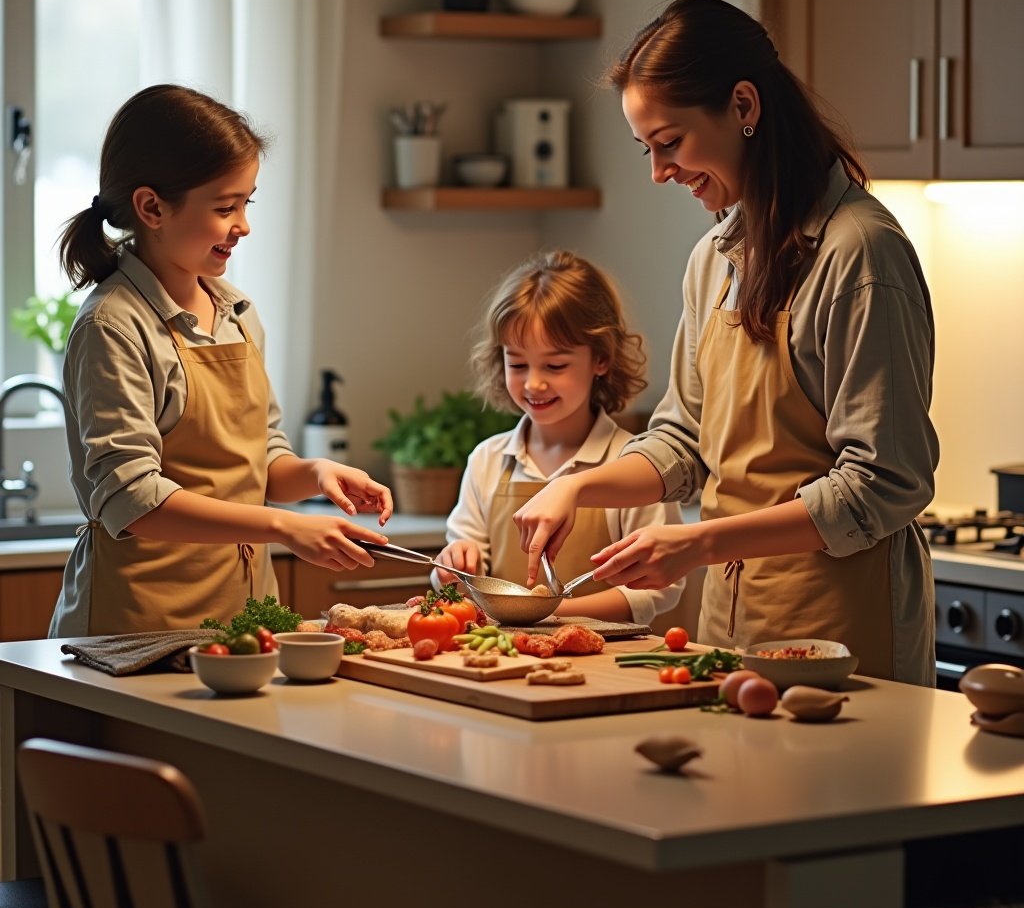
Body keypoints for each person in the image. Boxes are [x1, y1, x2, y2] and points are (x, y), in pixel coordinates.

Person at [513, 0, 939, 684]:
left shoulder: (860, 253)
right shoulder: (714, 258)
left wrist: (699, 542)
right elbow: (683, 440)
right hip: (730, 623)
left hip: (841, 630)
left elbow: (883, 483)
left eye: (669, 142)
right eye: (648, 149)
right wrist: (577, 487)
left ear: (743, 105)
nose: (659, 172)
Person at [50, 84, 392, 638]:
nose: (243, 225)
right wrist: (282, 526)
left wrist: (315, 475)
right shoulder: (112, 326)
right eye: (224, 207)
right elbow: (131, 499)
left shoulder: (236, 311)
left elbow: (261, 457)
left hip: (242, 621)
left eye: (246, 203)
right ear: (152, 208)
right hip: (140, 629)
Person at [436, 250, 683, 626]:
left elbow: (658, 588)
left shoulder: (636, 465)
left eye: (555, 365)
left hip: (607, 655)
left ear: (601, 359)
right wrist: (453, 565)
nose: (534, 383)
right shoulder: (488, 460)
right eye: (518, 364)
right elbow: (459, 574)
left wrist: (548, 614)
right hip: (501, 652)